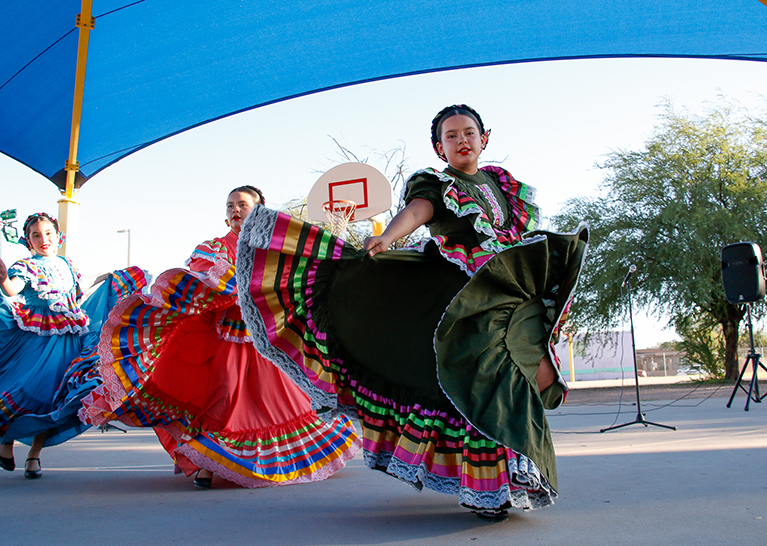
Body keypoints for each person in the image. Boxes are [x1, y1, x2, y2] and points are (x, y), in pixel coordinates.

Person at [236, 105, 589, 519]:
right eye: (452, 135)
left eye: (469, 132)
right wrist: (387, 235)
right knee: (487, 381)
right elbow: (418, 211)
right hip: (462, 297)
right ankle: (492, 486)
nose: (462, 140)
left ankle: (509, 475)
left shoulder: (503, 184)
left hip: (509, 290)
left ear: (484, 137)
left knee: (527, 375)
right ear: (439, 147)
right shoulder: (436, 183)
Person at [80, 186, 360, 489]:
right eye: (230, 206)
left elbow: (301, 279)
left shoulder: (279, 246)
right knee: (225, 395)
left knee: (286, 400)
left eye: (242, 204)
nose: (235, 210)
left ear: (260, 209)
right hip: (232, 339)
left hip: (272, 339)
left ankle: (257, 461)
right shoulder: (213, 247)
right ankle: (207, 462)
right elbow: (209, 278)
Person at [1, 212, 149, 478]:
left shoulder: (67, 264)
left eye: (48, 233)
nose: (43, 239)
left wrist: (111, 278)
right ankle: (5, 442)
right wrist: (2, 278)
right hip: (39, 340)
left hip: (69, 340)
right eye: (36, 235)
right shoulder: (26, 266)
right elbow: (12, 289)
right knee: (25, 387)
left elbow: (80, 290)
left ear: (58, 236)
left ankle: (34, 455)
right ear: (28, 240)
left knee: (55, 398)